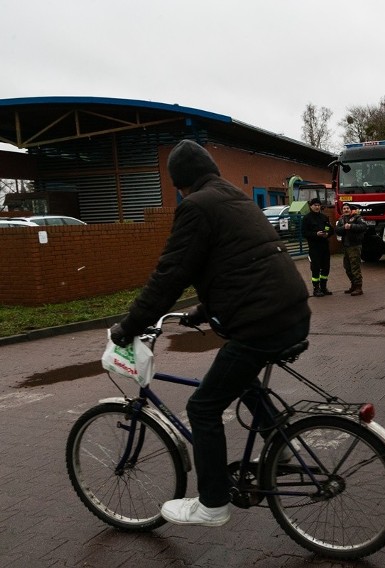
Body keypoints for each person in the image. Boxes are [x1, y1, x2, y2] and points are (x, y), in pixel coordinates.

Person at [108, 139, 310, 527]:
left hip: (260, 323)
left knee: (203, 407)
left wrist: (127, 328)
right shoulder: (234, 197)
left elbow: (169, 276)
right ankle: (283, 445)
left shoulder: (196, 208)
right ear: (212, 168)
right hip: (292, 312)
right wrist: (203, 310)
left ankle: (213, 503)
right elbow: (241, 263)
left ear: (178, 183)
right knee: (244, 380)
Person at [301, 197, 333, 297]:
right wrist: (316, 234)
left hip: (324, 247)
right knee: (315, 268)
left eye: (318, 205)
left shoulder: (324, 217)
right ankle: (316, 289)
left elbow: (331, 229)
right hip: (314, 247)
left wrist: (327, 234)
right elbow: (304, 233)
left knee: (326, 268)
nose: (317, 207)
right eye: (315, 205)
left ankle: (323, 287)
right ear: (311, 206)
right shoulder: (307, 218)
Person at [335, 203, 367, 296]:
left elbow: (364, 227)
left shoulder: (357, 218)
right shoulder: (341, 219)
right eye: (344, 208)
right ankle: (353, 285)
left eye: (347, 208)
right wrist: (344, 228)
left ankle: (358, 287)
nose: (345, 210)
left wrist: (351, 226)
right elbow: (337, 230)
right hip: (346, 246)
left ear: (350, 209)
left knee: (355, 267)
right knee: (347, 267)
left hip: (355, 246)